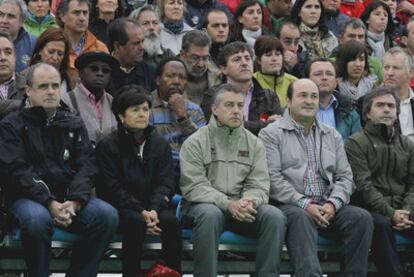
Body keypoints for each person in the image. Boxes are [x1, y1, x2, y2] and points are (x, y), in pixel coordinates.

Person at [0, 63, 118, 277]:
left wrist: (75, 201)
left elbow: (87, 165)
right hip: (26, 198)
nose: (51, 91)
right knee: (37, 220)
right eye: (43, 86)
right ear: (29, 91)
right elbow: (18, 171)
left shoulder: (72, 122)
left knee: (106, 215)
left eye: (55, 86)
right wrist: (49, 203)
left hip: (68, 199)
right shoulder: (11, 125)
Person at [259, 78, 373, 277]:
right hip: (290, 205)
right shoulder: (270, 134)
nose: (309, 101)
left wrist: (333, 204)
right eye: (302, 95)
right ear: (288, 100)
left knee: (361, 218)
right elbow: (272, 179)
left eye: (314, 96)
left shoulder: (332, 135)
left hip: (327, 205)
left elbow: (345, 177)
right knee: (301, 217)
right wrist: (305, 204)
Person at [180, 83, 286, 277]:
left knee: (273, 216)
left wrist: (249, 201)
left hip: (242, 207)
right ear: (214, 109)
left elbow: (259, 183)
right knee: (209, 214)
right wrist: (228, 204)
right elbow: (194, 186)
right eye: (229, 105)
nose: (236, 111)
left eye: (240, 105)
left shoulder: (254, 142)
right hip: (205, 206)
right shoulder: (195, 142)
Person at [96, 86, 182, 277]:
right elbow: (111, 188)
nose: (142, 114)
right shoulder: (108, 146)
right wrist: (141, 211)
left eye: (145, 109)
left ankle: (173, 273)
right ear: (121, 116)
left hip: (153, 207)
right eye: (135, 110)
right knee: (136, 223)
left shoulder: (160, 144)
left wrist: (152, 209)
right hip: (122, 208)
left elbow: (166, 183)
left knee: (172, 222)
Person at [345, 86, 414, 277]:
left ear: (397, 112)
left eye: (391, 106)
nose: (386, 109)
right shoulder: (355, 143)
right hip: (370, 210)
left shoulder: (406, 144)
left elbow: (412, 184)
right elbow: (364, 185)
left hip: (403, 209)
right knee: (380, 225)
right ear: (367, 113)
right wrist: (392, 213)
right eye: (380, 105)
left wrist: (406, 212)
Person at [202, 41, 281, 135]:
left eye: (247, 58)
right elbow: (224, 128)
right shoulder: (213, 95)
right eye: (237, 59)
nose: (244, 63)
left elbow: (277, 129)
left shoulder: (269, 97)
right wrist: (265, 124)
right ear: (224, 69)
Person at [150, 57, 206, 186]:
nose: (176, 82)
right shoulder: (146, 107)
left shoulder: (195, 110)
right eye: (170, 76)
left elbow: (203, 147)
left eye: (182, 77)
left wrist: (183, 117)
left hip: (190, 173)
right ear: (158, 80)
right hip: (157, 174)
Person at [61, 51, 119, 144]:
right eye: (94, 69)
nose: (100, 73)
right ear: (80, 73)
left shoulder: (115, 103)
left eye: (106, 71)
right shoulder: (65, 101)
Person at [305, 58, 361, 139]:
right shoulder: (293, 109)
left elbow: (356, 145)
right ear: (307, 80)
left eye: (329, 74)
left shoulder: (350, 111)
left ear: (336, 82)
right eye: (318, 74)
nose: (324, 77)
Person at [57, 0, 108, 81]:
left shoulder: (99, 48)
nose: (82, 18)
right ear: (62, 16)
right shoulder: (52, 44)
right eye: (76, 13)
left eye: (85, 13)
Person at [107, 18, 156, 96]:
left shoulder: (150, 72)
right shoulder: (103, 72)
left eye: (142, 41)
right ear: (117, 46)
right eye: (136, 43)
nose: (142, 47)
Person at [332, 17, 384, 84]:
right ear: (340, 39)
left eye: (360, 36)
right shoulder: (331, 64)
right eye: (352, 36)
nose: (357, 40)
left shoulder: (375, 64)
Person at [253, 34, 297, 108]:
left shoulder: (294, 82)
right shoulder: (252, 82)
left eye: (278, 54)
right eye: (268, 55)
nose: (274, 58)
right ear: (258, 60)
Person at [180, 30, 222, 105]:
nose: (201, 64)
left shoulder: (219, 78)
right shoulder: (169, 78)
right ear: (182, 55)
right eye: (195, 58)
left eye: (205, 58)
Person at [26, 27, 72, 93]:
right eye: (51, 52)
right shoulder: (23, 78)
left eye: (60, 54)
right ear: (40, 50)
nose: (55, 58)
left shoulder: (70, 82)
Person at [383, 47, 414, 141]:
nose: (389, 73)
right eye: (386, 67)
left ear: (411, 72)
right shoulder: (370, 102)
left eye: (396, 68)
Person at [0, 0, 37, 72]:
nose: (4, 20)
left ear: (22, 21)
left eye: (11, 16)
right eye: (1, 14)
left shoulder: (33, 43)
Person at [0, 32, 26, 118]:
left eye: (8, 52)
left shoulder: (29, 84)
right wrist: (24, 104)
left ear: (15, 57)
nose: (3, 58)